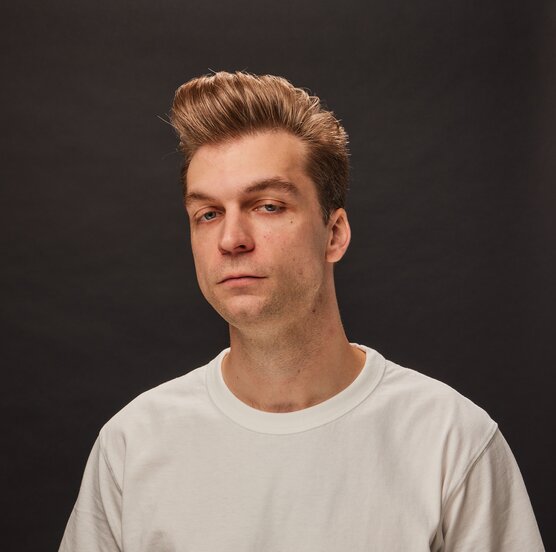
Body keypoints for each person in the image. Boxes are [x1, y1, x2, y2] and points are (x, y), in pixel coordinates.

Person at [59, 71, 545, 551]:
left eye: (268, 206)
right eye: (208, 214)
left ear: (334, 234)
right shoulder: (133, 446)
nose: (231, 239)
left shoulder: (451, 442)